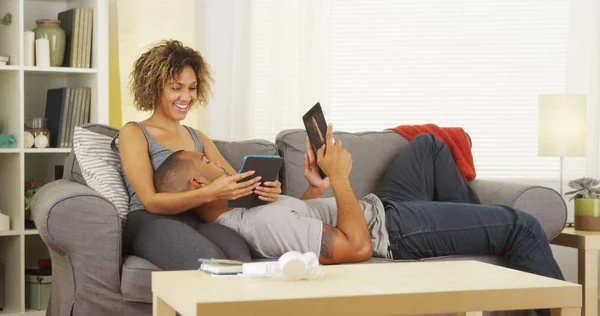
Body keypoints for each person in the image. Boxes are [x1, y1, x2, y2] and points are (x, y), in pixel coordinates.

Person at [154, 124, 566, 284]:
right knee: (523, 225)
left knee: (428, 146)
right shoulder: (256, 227)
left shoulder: (242, 212)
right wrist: (339, 178)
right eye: (208, 162)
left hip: (383, 207)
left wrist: (316, 188)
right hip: (396, 230)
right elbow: (357, 247)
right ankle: (483, 234)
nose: (218, 162)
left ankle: (471, 238)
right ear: (196, 183)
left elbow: (302, 217)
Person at [113, 40, 285, 270]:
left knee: (241, 262)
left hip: (197, 220)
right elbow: (151, 202)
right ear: (154, 88)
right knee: (215, 264)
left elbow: (237, 186)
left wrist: (265, 190)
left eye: (192, 88)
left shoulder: (197, 137)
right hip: (149, 221)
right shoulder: (134, 133)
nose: (186, 97)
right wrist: (210, 192)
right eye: (176, 88)